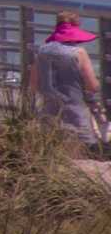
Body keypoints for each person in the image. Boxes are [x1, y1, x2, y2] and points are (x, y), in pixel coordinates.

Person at [29, 12, 103, 143]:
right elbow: (92, 85)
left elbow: (33, 85)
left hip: (48, 118)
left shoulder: (42, 51)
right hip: (76, 117)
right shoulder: (78, 53)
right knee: (87, 147)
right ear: (76, 28)